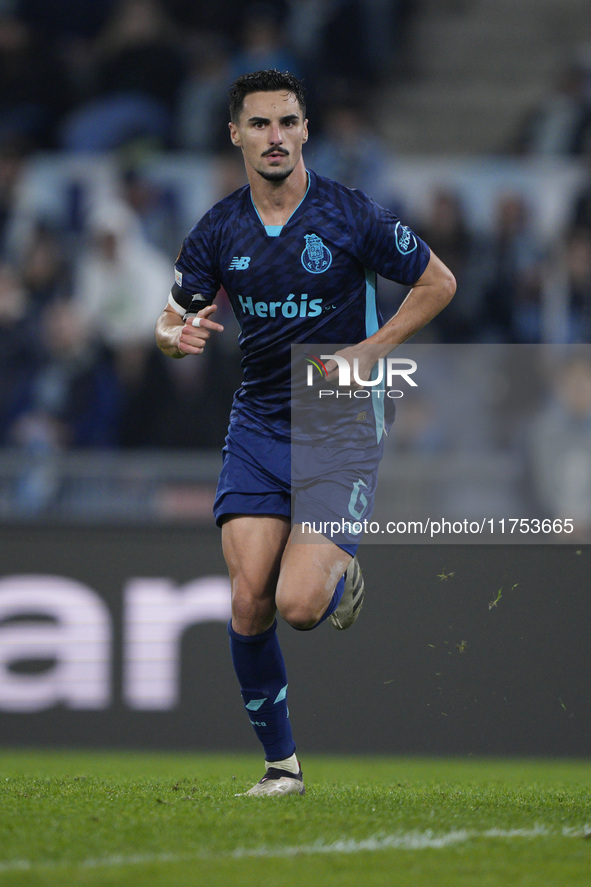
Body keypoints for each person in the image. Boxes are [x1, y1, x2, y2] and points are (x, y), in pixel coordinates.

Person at [155, 69, 455, 796]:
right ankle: (280, 767)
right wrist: (175, 337)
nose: (275, 137)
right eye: (259, 124)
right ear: (235, 135)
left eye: (287, 122)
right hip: (258, 415)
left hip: (338, 417)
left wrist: (369, 352)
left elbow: (438, 282)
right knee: (249, 598)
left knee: (297, 604)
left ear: (305, 130)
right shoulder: (218, 228)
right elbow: (168, 320)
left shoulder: (350, 216)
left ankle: (338, 571)